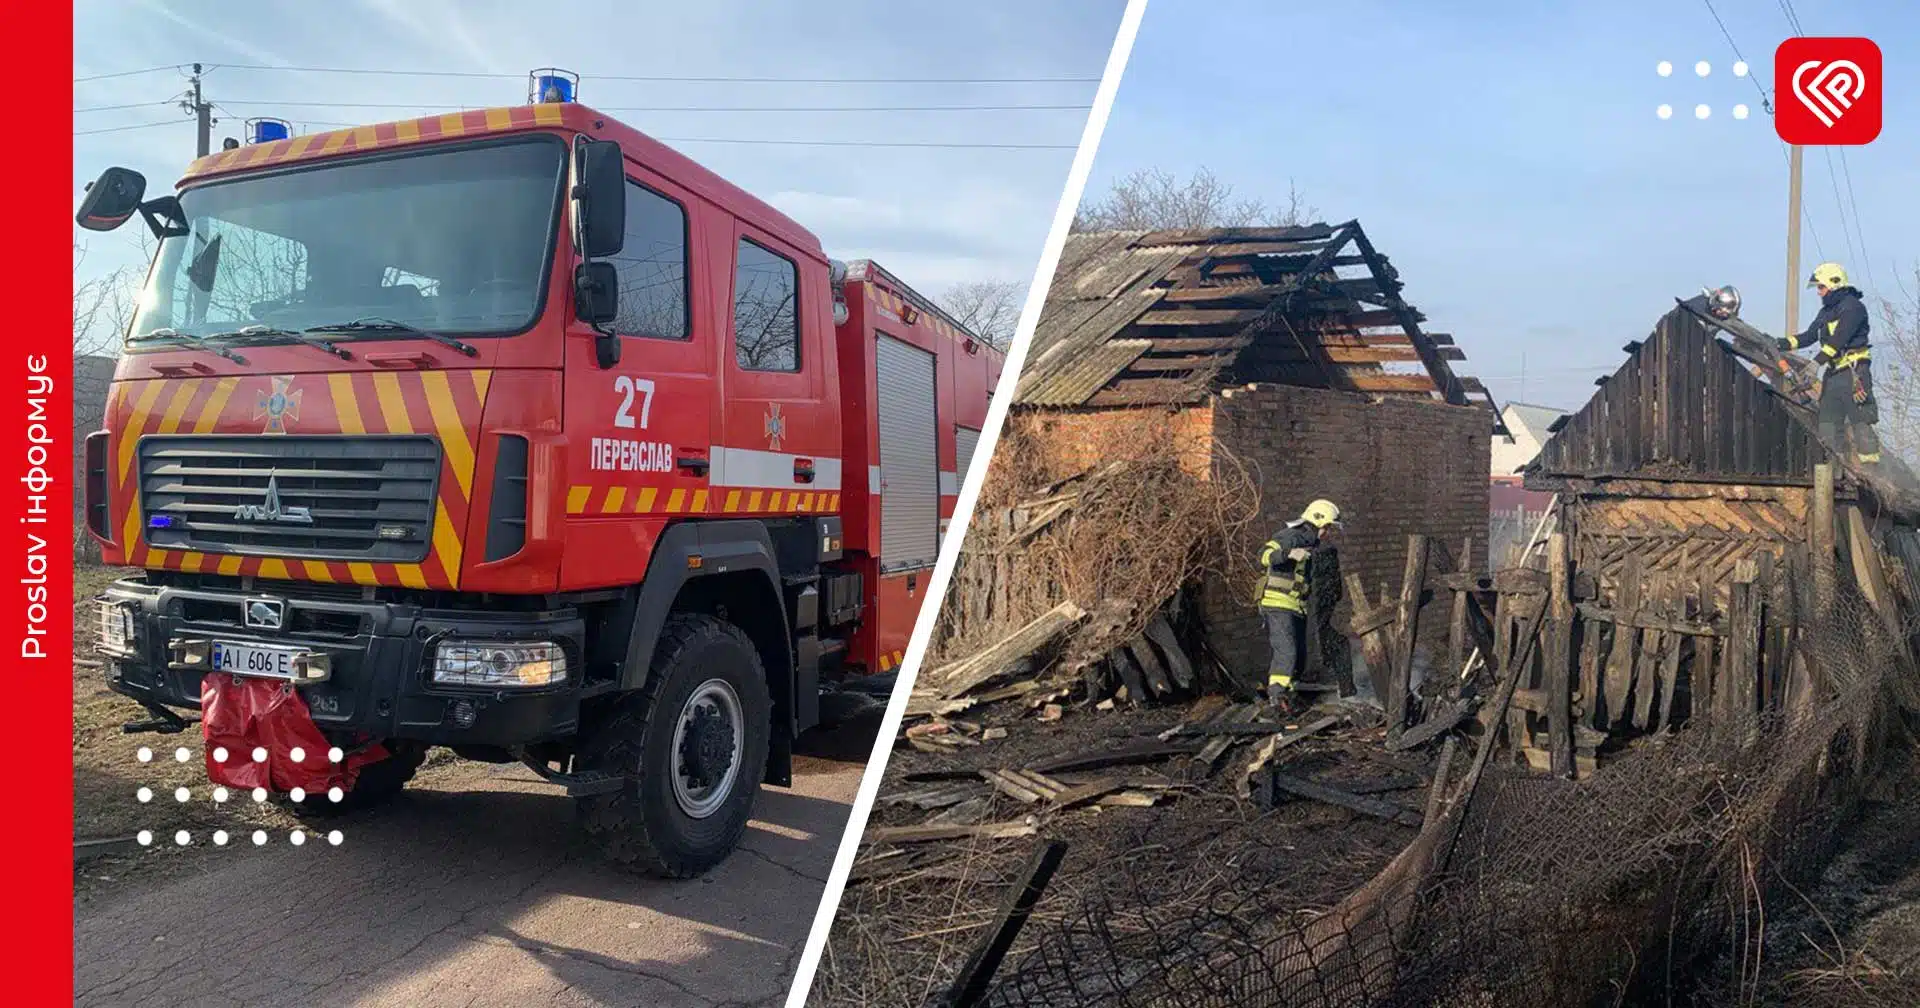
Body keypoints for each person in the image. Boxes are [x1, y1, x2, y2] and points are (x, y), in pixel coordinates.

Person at [1778, 262, 1881, 465]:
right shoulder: (1826, 312)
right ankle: (1834, 472)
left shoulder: (1853, 307)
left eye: (1821, 287)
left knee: (1861, 422)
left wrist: (1816, 363)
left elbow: (1838, 339)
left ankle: (1874, 475)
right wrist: (1780, 343)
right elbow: (1808, 337)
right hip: (1833, 376)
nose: (1819, 292)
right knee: (1828, 426)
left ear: (1834, 283)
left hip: (1854, 374)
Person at [1257, 499, 1342, 713]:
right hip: (1277, 603)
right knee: (1287, 652)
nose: (1329, 533)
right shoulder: (1291, 536)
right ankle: (1276, 699)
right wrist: (1288, 554)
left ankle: (1290, 696)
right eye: (1328, 528)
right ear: (1318, 522)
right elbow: (1264, 555)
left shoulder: (1311, 542)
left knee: (1300, 656)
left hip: (1295, 605)